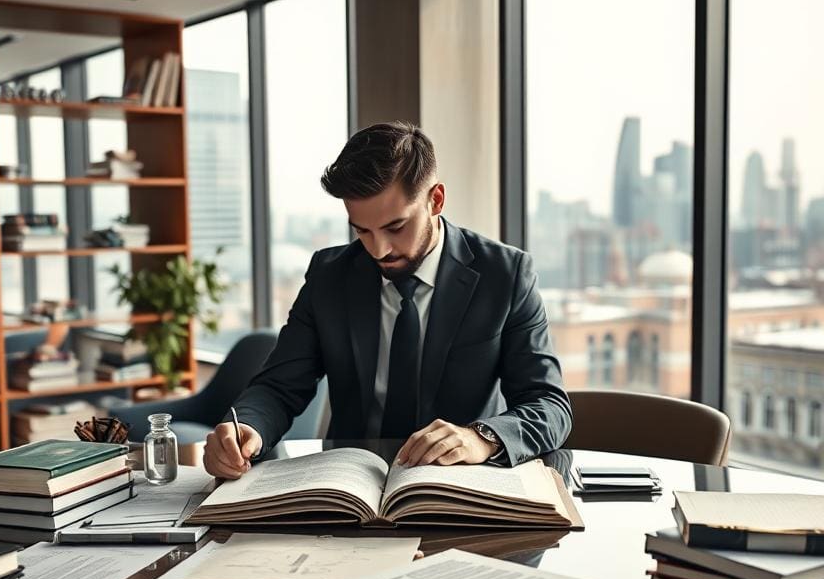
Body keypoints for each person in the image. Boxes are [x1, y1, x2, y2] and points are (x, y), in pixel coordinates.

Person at [203, 121, 571, 479]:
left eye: (395, 227)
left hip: (461, 487)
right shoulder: (329, 275)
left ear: (435, 200)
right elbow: (279, 386)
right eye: (362, 230)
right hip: (349, 490)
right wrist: (246, 428)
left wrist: (481, 438)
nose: (378, 249)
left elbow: (549, 406)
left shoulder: (505, 274)